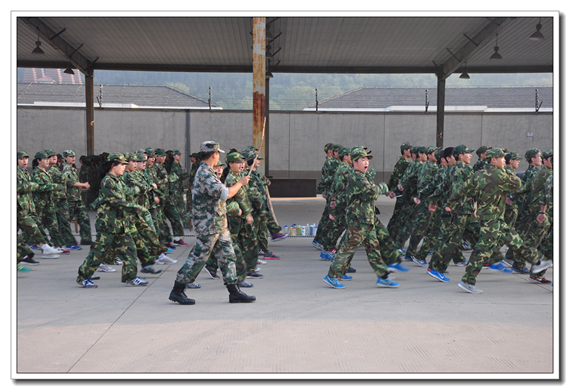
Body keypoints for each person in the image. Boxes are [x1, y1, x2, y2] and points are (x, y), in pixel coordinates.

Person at [443, 149, 550, 294]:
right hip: (491, 220)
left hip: (491, 218)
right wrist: (509, 173)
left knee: (515, 240)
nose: (504, 161)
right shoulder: (500, 174)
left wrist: (450, 203)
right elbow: (519, 186)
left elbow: (462, 189)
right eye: (502, 158)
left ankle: (538, 263)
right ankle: (467, 281)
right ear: (493, 160)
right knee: (482, 250)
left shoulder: (478, 174)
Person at [168, 141, 255, 305]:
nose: (218, 157)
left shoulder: (209, 172)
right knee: (199, 257)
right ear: (214, 154)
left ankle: (234, 291)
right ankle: (178, 289)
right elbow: (225, 194)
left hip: (218, 224)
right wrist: (240, 183)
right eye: (218, 154)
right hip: (208, 225)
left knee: (228, 256)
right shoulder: (205, 174)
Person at [323, 147, 398, 289]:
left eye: (367, 160)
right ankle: (331, 276)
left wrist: (336, 211)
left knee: (374, 249)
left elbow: (344, 197)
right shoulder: (355, 177)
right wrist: (382, 187)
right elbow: (371, 193)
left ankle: (383, 277)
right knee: (347, 249)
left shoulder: (360, 177)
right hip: (358, 221)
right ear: (354, 162)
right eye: (362, 160)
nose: (366, 163)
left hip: (367, 220)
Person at [76, 153, 149, 288]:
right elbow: (116, 201)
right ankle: (83, 277)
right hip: (108, 224)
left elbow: (127, 192)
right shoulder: (107, 181)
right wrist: (137, 208)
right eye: (121, 164)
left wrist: (139, 188)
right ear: (113, 165)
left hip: (120, 223)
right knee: (99, 252)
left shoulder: (118, 180)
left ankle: (130, 277)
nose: (124, 167)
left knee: (130, 250)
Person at [17, 151, 63, 259]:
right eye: (21, 159)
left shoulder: (25, 172)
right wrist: (35, 185)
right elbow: (22, 187)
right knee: (31, 227)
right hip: (22, 206)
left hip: (28, 205)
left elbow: (28, 187)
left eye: (26, 158)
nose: (24, 161)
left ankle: (45, 248)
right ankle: (32, 252)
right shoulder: (18, 172)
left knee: (34, 226)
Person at [62, 150, 93, 246]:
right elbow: (70, 182)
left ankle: (86, 239)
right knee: (66, 221)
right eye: (70, 156)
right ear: (65, 158)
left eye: (74, 156)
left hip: (77, 199)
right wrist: (83, 184)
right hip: (70, 199)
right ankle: (65, 240)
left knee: (84, 218)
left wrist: (81, 187)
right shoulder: (66, 169)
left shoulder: (74, 169)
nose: (73, 158)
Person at [386, 142, 412, 238]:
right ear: (405, 151)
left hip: (398, 192)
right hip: (402, 193)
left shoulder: (399, 162)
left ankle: (388, 235)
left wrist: (389, 189)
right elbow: (400, 179)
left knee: (396, 216)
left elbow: (393, 176)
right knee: (399, 217)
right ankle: (392, 237)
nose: (411, 152)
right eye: (410, 150)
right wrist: (395, 191)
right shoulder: (405, 164)